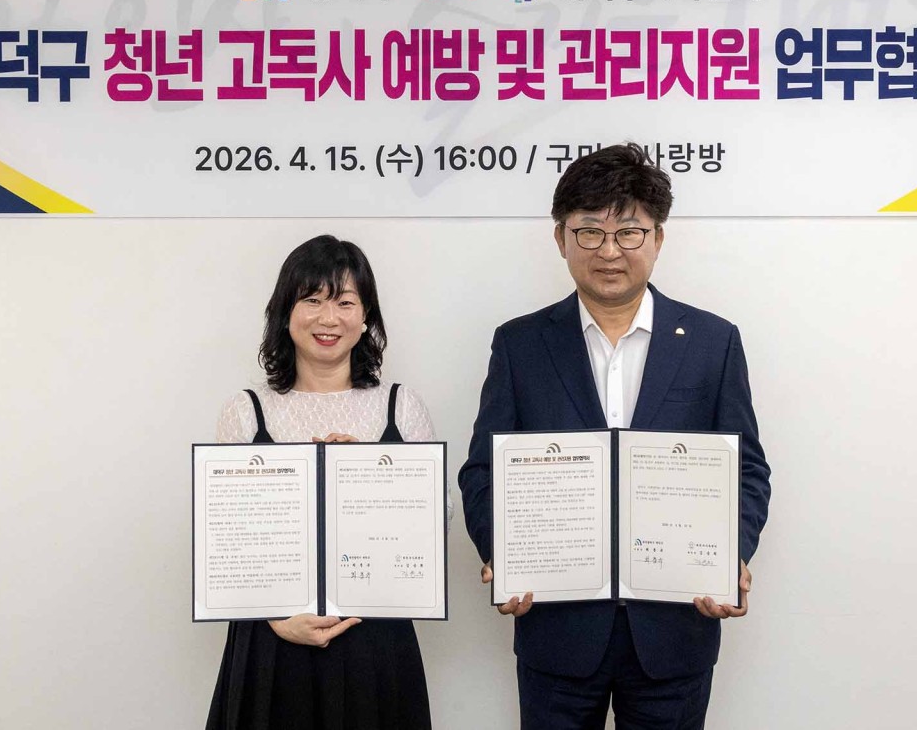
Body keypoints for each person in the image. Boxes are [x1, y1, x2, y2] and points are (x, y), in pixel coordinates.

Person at [457, 143, 772, 729]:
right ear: (560, 238)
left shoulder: (713, 342)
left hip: (675, 628)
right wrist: (503, 551)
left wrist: (731, 554)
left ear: (658, 239)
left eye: (628, 232)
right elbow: (483, 471)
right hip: (557, 629)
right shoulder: (520, 344)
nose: (608, 251)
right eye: (589, 232)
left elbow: (747, 469)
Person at [205, 234, 440, 730]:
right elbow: (226, 537)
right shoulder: (246, 411)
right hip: (271, 644)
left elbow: (436, 520)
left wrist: (369, 475)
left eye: (345, 302)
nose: (328, 318)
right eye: (311, 300)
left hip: (376, 640)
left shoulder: (401, 406)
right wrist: (277, 620)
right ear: (285, 312)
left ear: (366, 315)